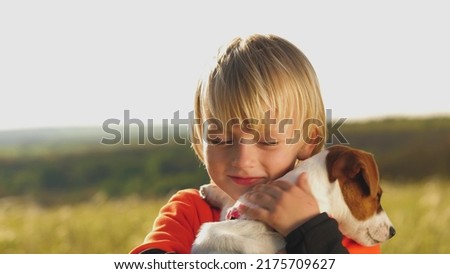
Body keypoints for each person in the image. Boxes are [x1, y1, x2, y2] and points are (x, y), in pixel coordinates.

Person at [130, 34, 380, 254]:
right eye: (219, 139)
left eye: (268, 140)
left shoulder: (342, 223)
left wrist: (305, 228)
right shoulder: (190, 210)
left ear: (309, 140)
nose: (242, 159)